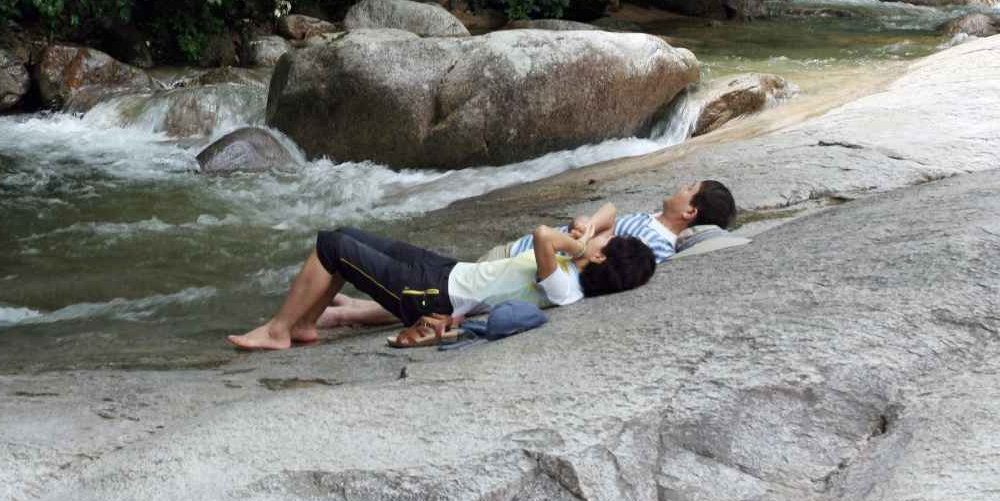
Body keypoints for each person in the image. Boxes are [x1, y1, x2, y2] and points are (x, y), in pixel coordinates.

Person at [315, 179, 735, 330]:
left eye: (688, 187)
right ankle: (352, 305)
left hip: (527, 262)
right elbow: (609, 217)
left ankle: (347, 313)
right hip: (530, 255)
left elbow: (611, 254)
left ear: (690, 210)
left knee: (448, 295)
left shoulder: (655, 244)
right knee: (447, 289)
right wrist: (587, 226)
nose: (681, 185)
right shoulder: (649, 222)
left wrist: (579, 243)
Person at [227, 218, 657, 351]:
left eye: (603, 242)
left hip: (435, 294)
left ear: (600, 257)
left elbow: (544, 235)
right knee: (348, 237)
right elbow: (602, 215)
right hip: (447, 271)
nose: (598, 238)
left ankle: (279, 331)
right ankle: (306, 323)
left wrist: (576, 242)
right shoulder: (570, 274)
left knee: (332, 246)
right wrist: (585, 241)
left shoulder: (566, 287)